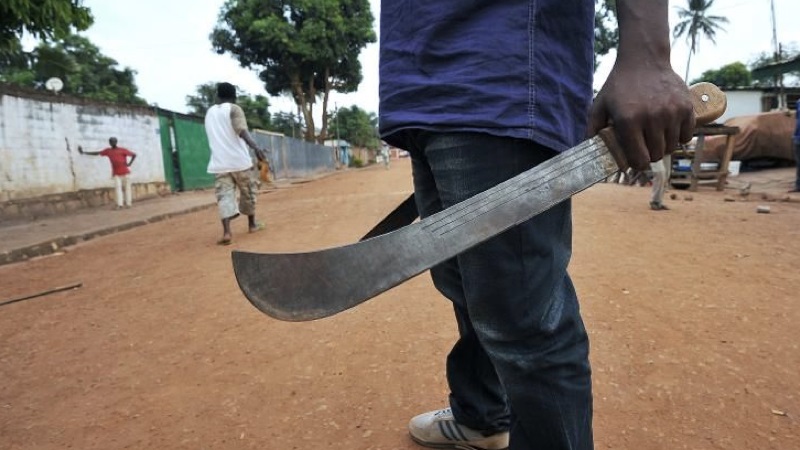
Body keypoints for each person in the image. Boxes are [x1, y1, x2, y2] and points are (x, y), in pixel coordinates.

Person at [378, 1, 695, 449]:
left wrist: (649, 54)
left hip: (501, 79)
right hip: (420, 95)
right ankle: (482, 416)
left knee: (525, 321)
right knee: (465, 284)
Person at [204, 82, 268, 245]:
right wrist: (256, 147)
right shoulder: (234, 109)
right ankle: (252, 225)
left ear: (218, 95)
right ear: (234, 96)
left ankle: (227, 233)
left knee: (224, 196)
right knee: (248, 192)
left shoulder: (210, 112)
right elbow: (241, 130)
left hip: (219, 163)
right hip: (240, 162)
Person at [78, 137, 137, 209]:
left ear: (116, 142)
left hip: (125, 172)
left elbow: (134, 155)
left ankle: (128, 204)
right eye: (111, 142)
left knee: (127, 188)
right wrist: (84, 152)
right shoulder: (108, 151)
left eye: (114, 141)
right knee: (118, 189)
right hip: (116, 173)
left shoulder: (122, 150)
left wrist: (129, 164)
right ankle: (119, 205)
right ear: (110, 143)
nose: (112, 143)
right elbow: (97, 153)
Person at [791, 98, 800, 193]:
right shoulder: (798, 102)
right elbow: (797, 118)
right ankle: (798, 186)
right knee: (798, 163)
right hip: (798, 137)